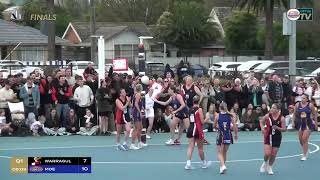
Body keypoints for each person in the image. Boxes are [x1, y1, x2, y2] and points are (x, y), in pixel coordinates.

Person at [185, 96, 211, 170]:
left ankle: (188, 164)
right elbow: (202, 122)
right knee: (200, 148)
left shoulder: (189, 109)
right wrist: (207, 118)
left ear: (193, 102)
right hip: (197, 130)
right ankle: (204, 163)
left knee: (190, 147)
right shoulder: (199, 109)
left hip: (190, 128)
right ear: (199, 101)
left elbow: (189, 121)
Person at [259, 103, 286, 175]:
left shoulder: (281, 118)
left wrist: (277, 127)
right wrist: (262, 128)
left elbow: (284, 129)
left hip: (277, 138)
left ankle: (269, 166)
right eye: (271, 107)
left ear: (278, 110)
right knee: (267, 153)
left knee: (273, 154)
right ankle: (265, 163)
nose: (271, 109)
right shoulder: (268, 116)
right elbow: (261, 122)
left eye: (274, 108)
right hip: (268, 136)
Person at [214, 102, 238, 174]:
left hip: (221, 135)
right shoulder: (230, 116)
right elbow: (234, 126)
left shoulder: (218, 116)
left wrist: (217, 127)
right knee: (224, 152)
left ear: (219, 108)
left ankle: (223, 165)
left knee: (219, 152)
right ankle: (222, 167)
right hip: (228, 135)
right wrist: (235, 135)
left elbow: (214, 125)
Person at [293, 94, 318, 161]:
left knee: (304, 138)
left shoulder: (310, 105)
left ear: (307, 99)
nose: (302, 99)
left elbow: (315, 114)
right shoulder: (297, 105)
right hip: (301, 123)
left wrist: (316, 124)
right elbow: (294, 114)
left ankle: (304, 155)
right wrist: (293, 122)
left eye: (304, 98)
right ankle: (306, 149)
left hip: (309, 124)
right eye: (302, 98)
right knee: (300, 139)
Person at [131, 84, 145, 150]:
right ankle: (132, 144)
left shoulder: (136, 94)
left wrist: (142, 107)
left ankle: (139, 143)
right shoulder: (138, 94)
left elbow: (137, 103)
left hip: (136, 111)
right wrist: (140, 112)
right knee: (136, 128)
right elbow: (136, 104)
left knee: (140, 127)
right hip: (136, 112)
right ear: (141, 88)